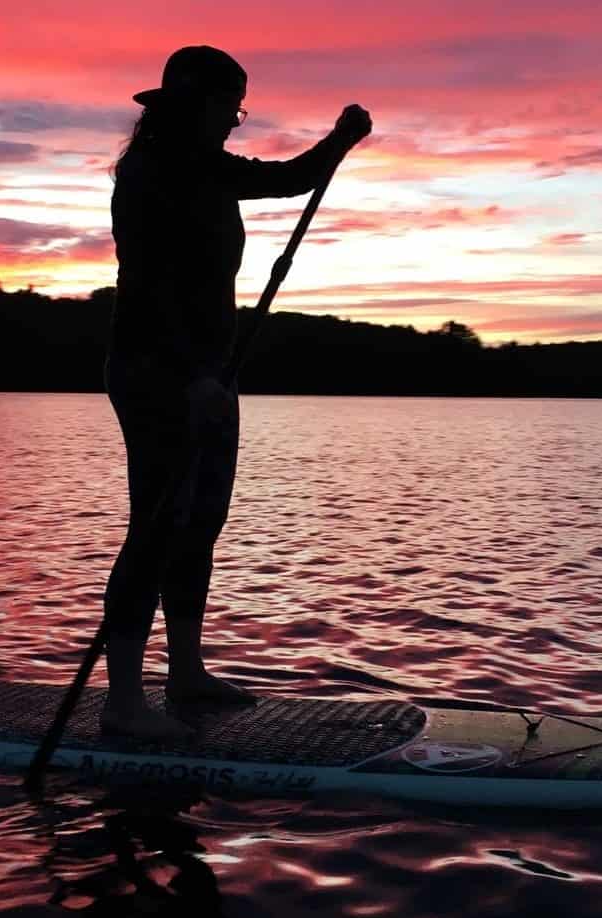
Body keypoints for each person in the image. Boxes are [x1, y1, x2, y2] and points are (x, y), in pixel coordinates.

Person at [100, 45, 372, 739]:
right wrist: (190, 377)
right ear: (198, 105)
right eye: (230, 108)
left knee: (201, 524)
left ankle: (185, 675)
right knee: (157, 526)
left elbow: (287, 182)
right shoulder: (158, 169)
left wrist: (340, 142)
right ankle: (124, 705)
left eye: (237, 110)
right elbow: (155, 288)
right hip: (159, 369)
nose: (233, 122)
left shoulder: (205, 167)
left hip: (211, 373)